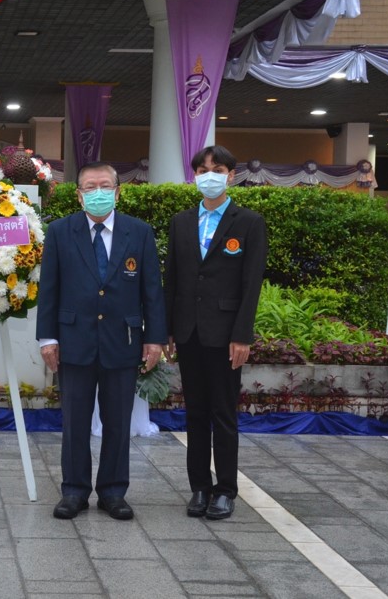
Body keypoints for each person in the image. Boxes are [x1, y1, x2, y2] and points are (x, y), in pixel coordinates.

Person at [36, 161, 166, 520]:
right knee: (75, 420)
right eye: (90, 187)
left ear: (117, 191)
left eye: (104, 186)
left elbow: (151, 290)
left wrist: (154, 339)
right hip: (73, 339)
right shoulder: (61, 232)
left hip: (122, 340)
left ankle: (113, 491)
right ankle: (74, 491)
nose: (98, 193)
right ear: (78, 195)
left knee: (118, 420)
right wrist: (47, 338)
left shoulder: (138, 233)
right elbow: (49, 290)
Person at [164, 145, 267, 521]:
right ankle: (199, 488)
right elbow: (172, 279)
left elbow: (251, 283)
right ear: (194, 176)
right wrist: (168, 329)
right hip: (189, 332)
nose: (209, 175)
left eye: (217, 168)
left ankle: (225, 490)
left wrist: (242, 335)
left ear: (231, 175)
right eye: (202, 169)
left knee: (223, 414)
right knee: (195, 413)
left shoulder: (248, 221)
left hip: (225, 335)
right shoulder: (181, 221)